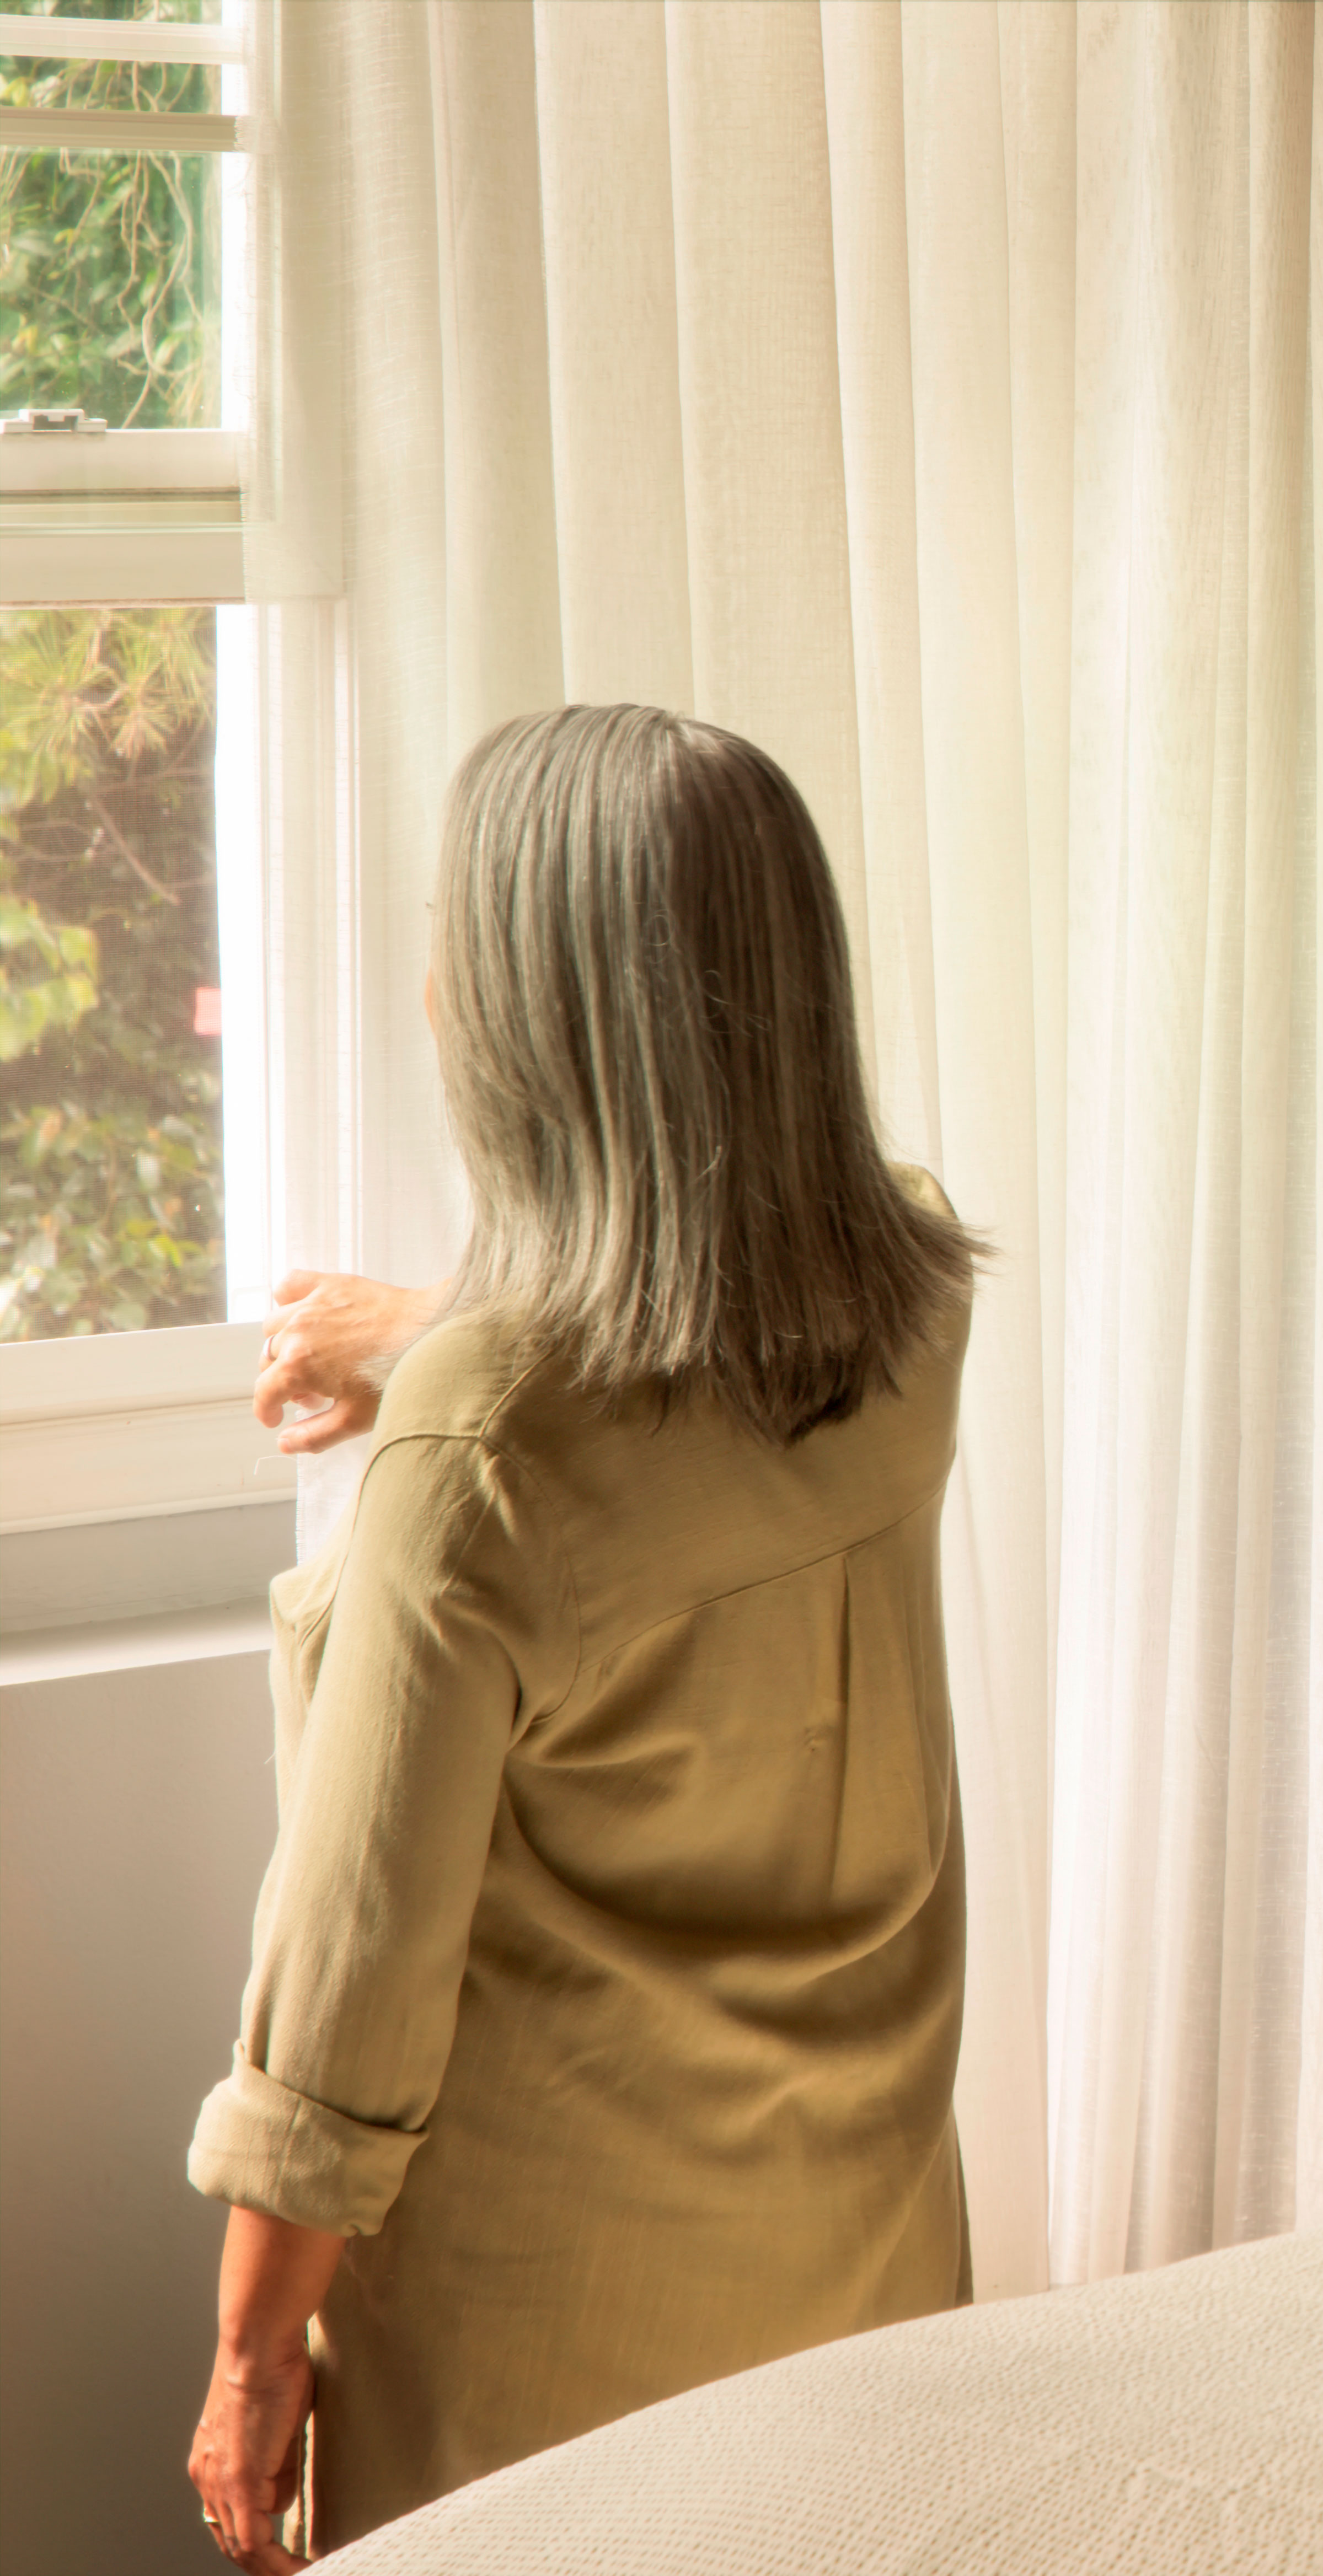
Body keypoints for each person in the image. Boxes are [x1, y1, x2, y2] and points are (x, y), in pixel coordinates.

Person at [183, 705, 983, 2568]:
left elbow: (350, 1998)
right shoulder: (915, 1299)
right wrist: (428, 1327)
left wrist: (248, 2358)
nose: (434, 992)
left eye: (457, 948)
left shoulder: (477, 1451)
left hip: (548, 2346)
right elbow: (689, 1334)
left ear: (541, 1018)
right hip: (862, 2268)